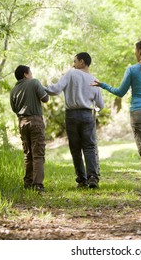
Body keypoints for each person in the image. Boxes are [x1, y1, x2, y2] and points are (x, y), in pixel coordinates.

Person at [92, 40, 141, 196]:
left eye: (136, 50)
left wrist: (103, 85)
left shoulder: (132, 70)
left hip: (138, 112)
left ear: (140, 52)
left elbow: (120, 92)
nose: (135, 52)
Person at [46, 52, 104, 189]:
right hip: (87, 115)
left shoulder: (71, 74)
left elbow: (56, 90)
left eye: (75, 61)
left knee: (75, 149)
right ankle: (93, 177)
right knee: (89, 146)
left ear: (82, 62)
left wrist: (39, 87)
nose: (73, 64)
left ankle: (82, 180)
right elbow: (101, 105)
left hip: (71, 115)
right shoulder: (94, 79)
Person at [10, 65, 49, 192]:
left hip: (22, 122)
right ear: (26, 74)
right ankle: (37, 184)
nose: (32, 74)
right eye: (30, 72)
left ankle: (28, 183)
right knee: (38, 153)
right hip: (35, 121)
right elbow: (45, 99)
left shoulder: (14, 90)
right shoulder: (34, 82)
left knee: (28, 154)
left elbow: (14, 109)